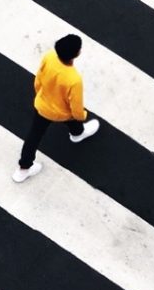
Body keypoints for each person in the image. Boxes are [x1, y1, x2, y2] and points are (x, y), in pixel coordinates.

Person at [13, 34, 99, 183]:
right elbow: (76, 107)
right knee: (73, 119)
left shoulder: (49, 57)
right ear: (77, 54)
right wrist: (82, 116)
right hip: (62, 113)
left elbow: (38, 79)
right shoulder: (74, 79)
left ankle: (23, 169)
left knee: (34, 136)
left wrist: (40, 94)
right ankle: (77, 133)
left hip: (42, 105)